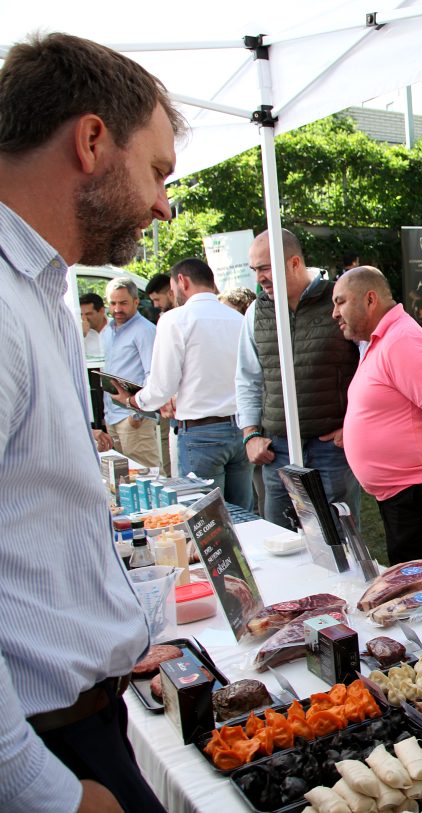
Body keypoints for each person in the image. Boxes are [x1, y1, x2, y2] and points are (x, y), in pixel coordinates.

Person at [0, 31, 184, 812]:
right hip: (44, 746)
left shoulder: (38, 284)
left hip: (77, 720)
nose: (164, 203)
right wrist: (44, 791)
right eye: (158, 170)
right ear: (91, 140)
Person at [334, 267, 422, 572]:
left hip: (419, 492)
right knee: (410, 587)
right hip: (406, 493)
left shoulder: (402, 340)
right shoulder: (382, 339)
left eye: (340, 301)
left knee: (420, 595)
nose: (335, 313)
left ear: (369, 299)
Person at [237, 229, 362, 528]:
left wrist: (354, 425)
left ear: (294, 263)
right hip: (276, 450)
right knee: (282, 542)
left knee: (340, 541)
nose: (259, 278)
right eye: (254, 269)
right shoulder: (257, 311)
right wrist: (250, 435)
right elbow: (248, 378)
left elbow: (372, 369)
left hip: (331, 448)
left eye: (265, 268)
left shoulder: (339, 301)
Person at [117, 259, 254, 509]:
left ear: (183, 281)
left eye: (172, 287)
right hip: (240, 429)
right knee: (243, 515)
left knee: (207, 524)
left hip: (201, 432)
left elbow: (162, 386)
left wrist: (133, 400)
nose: (173, 294)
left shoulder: (175, 319)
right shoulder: (237, 318)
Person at [100, 277, 160, 467]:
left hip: (134, 418)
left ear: (136, 301)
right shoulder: (108, 331)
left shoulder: (145, 331)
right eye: (113, 303)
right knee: (121, 480)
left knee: (146, 476)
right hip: (113, 417)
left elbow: (153, 375)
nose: (117, 309)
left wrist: (138, 415)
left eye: (123, 303)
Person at [79, 291, 106, 357]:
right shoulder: (79, 331)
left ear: (102, 311)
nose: (84, 318)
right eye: (81, 314)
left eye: (88, 314)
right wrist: (80, 335)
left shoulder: (118, 327)